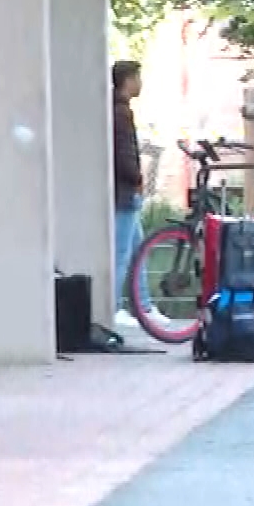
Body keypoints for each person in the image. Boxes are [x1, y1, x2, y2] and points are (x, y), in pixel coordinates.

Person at [111, 59, 145, 317]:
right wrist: (136, 178)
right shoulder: (121, 113)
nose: (140, 83)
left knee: (138, 249)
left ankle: (143, 306)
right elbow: (124, 153)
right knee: (123, 253)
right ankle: (114, 307)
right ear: (128, 81)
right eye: (137, 78)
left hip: (126, 192)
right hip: (125, 193)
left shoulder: (119, 110)